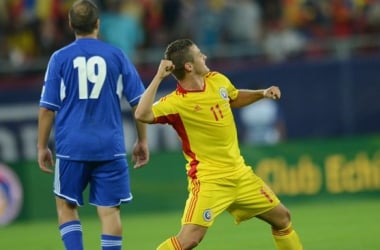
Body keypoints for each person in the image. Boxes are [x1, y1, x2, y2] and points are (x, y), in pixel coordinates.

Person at [135, 38, 303, 250]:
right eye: (199, 54)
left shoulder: (217, 80)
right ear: (188, 66)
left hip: (240, 175)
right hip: (209, 180)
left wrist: (261, 94)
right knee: (188, 240)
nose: (204, 56)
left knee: (283, 218)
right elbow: (142, 113)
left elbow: (232, 97)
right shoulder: (175, 103)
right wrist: (159, 76)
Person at [37, 1, 149, 250]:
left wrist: (42, 146)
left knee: (66, 206)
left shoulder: (60, 58)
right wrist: (142, 141)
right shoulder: (117, 55)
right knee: (110, 213)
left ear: (70, 24)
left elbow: (47, 107)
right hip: (110, 146)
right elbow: (139, 103)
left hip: (71, 147)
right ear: (98, 24)